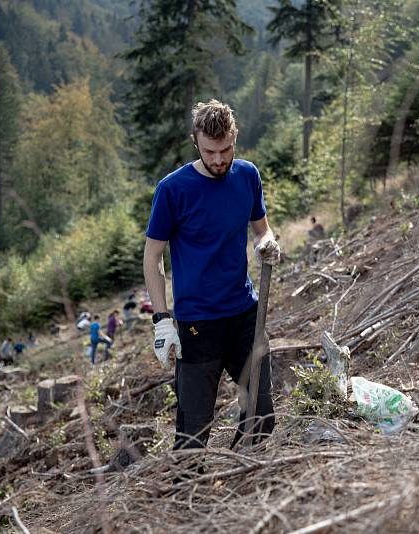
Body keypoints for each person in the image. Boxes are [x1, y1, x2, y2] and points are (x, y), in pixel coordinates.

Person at [143, 99, 281, 451]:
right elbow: (153, 257)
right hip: (198, 324)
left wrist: (268, 242)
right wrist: (161, 320)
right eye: (210, 151)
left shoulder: (247, 175)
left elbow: (262, 229)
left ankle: (240, 483)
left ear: (235, 139)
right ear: (196, 143)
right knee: (193, 432)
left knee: (261, 414)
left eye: (225, 150)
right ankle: (186, 493)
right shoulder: (173, 189)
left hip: (244, 314)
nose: (219, 159)